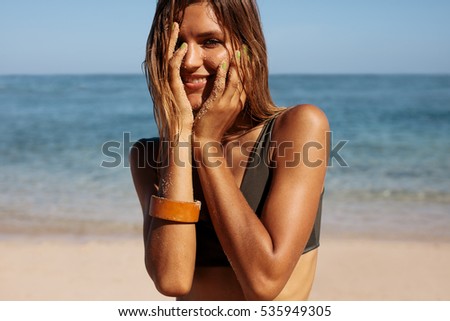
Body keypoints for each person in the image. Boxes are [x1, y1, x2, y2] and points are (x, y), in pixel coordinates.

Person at [130, 0, 329, 301]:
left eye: (210, 41)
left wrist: (207, 147)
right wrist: (181, 137)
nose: (188, 61)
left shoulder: (297, 128)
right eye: (177, 44)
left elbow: (264, 282)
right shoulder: (150, 156)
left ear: (247, 49)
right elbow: (172, 279)